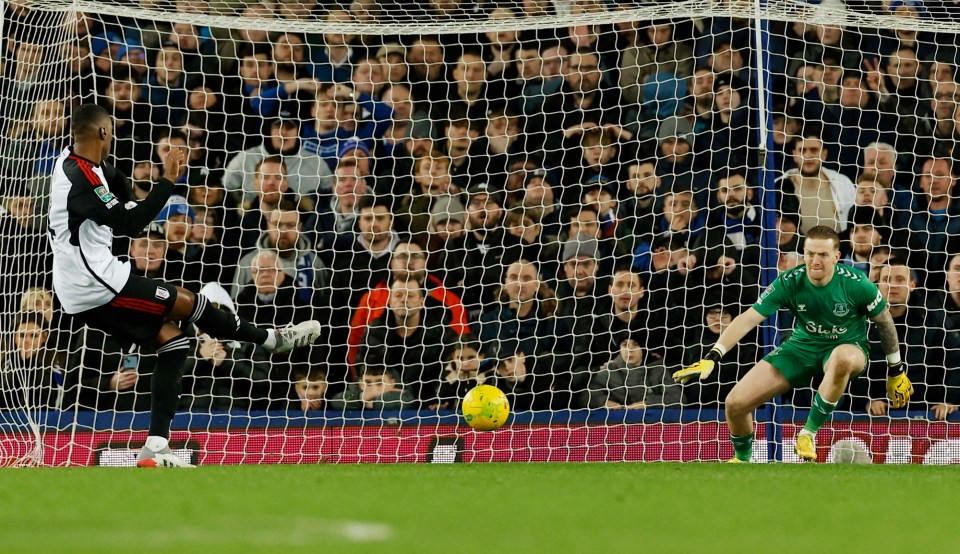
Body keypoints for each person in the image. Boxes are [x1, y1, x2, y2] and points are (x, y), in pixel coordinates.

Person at [47, 104, 322, 468]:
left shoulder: (74, 160)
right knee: (190, 303)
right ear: (102, 134)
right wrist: (168, 179)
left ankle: (155, 448)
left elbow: (114, 180)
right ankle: (270, 339)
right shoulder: (81, 179)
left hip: (81, 283)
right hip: (98, 284)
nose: (112, 138)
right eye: (110, 132)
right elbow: (132, 223)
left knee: (175, 341)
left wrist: (132, 194)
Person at [673, 226, 912, 463]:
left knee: (843, 358)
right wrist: (713, 356)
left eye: (823, 255)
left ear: (837, 257)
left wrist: (896, 370)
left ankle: (807, 433)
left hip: (848, 347)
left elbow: (884, 321)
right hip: (801, 347)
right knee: (735, 404)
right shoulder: (790, 281)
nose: (815, 261)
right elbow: (748, 318)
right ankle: (742, 461)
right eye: (810, 254)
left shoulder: (857, 283)